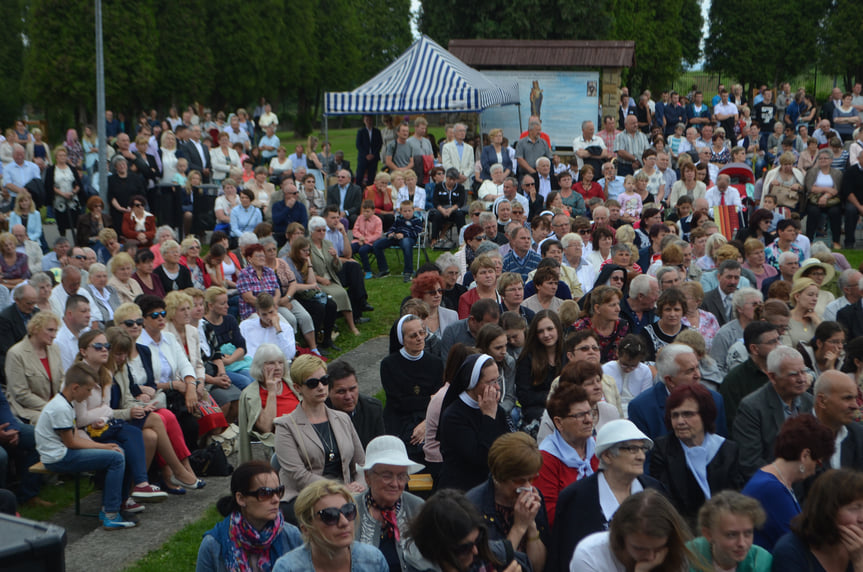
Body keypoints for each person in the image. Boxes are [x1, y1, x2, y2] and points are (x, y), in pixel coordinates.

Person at [548, 419, 662, 572]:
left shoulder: (654, 490)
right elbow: (563, 557)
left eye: (642, 449)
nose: (641, 456)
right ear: (607, 456)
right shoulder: (576, 497)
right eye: (632, 449)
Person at [35, 363, 135, 530]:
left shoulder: (65, 403)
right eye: (88, 390)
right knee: (116, 457)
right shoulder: (60, 408)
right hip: (58, 458)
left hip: (63, 452)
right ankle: (111, 514)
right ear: (75, 387)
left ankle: (109, 508)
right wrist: (103, 447)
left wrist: (102, 447)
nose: (89, 395)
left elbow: (73, 438)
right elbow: (72, 443)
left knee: (116, 452)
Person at [273, 355, 366, 524]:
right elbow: (298, 475)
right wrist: (340, 489)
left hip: (348, 492)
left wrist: (360, 485)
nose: (321, 387)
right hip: (305, 496)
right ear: (297, 387)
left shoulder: (343, 418)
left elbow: (361, 464)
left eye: (324, 380)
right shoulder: (285, 426)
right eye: (312, 383)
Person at [649, 383, 743, 528]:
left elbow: (735, 498)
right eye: (675, 415)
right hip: (679, 529)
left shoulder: (727, 450)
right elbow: (662, 499)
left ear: (705, 415)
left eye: (688, 414)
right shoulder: (662, 450)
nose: (680, 421)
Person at [741, 414, 834, 550]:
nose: (815, 471)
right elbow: (798, 542)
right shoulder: (771, 489)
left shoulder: (775, 482)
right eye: (818, 463)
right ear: (805, 456)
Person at [197, 460, 302, 572]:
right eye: (265, 493)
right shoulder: (213, 545)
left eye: (278, 491)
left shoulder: (291, 536)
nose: (276, 499)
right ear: (241, 499)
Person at [466, 432, 549, 572]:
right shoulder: (473, 506)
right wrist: (519, 527)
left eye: (532, 479)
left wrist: (531, 525)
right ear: (499, 476)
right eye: (519, 481)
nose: (528, 487)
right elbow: (489, 566)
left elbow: (537, 567)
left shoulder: (534, 497)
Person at [273, 479, 387, 572]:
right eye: (330, 516)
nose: (344, 522)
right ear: (306, 529)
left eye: (348, 511)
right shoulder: (287, 568)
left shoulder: (374, 560)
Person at [571, 489, 695, 572]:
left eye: (658, 548)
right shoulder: (590, 555)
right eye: (639, 548)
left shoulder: (673, 552)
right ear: (621, 537)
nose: (651, 557)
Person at [353, 435, 426, 572]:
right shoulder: (350, 510)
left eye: (401, 476)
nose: (395, 484)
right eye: (387, 475)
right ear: (368, 477)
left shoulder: (418, 508)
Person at [410, 488, 530, 572]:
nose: (475, 550)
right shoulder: (421, 567)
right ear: (439, 549)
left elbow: (527, 563)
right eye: (465, 548)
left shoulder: (487, 554)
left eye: (478, 540)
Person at [438, 353, 510, 491]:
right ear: (472, 382)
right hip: (460, 490)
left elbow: (507, 446)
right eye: (491, 382)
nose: (497, 388)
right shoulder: (454, 416)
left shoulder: (496, 409)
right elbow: (481, 458)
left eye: (497, 380)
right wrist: (488, 417)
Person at [629, 343, 728, 441]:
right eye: (690, 371)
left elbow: (721, 448)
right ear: (669, 380)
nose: (698, 375)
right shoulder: (641, 408)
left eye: (697, 367)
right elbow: (643, 453)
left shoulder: (715, 400)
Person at [771, 468, 863, 572]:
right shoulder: (791, 551)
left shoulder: (859, 549)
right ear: (827, 510)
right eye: (854, 508)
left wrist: (859, 561)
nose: (861, 518)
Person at [380, 314, 444, 462]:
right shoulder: (389, 364)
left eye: (422, 333)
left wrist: (426, 424)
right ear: (402, 340)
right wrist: (428, 399)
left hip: (428, 417)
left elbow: (438, 401)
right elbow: (398, 402)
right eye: (413, 335)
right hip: (399, 419)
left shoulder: (435, 363)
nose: (420, 338)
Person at [536, 383, 598, 526]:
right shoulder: (546, 458)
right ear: (559, 423)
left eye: (590, 413)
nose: (589, 420)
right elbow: (549, 516)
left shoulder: (599, 448)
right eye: (580, 415)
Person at [687, 491, 772, 572]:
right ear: (709, 534)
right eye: (731, 535)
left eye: (748, 533)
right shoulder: (688, 556)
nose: (742, 543)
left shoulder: (760, 562)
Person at [516, 309, 564, 425]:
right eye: (541, 331)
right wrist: (553, 397)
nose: (546, 335)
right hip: (537, 410)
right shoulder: (527, 358)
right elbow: (524, 396)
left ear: (558, 328)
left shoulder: (568, 353)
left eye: (550, 329)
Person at [325, 360, 385, 449]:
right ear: (328, 392)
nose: (348, 396)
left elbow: (381, 447)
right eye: (341, 392)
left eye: (352, 389)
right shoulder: (319, 415)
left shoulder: (373, 409)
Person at [573, 286, 630, 363]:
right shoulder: (580, 328)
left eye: (618, 304)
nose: (618, 309)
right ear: (597, 308)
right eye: (612, 305)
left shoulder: (623, 327)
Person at [640, 287, 688, 362]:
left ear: (683, 311)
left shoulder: (690, 334)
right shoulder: (647, 333)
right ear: (661, 311)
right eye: (668, 309)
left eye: (676, 310)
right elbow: (645, 365)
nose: (672, 314)